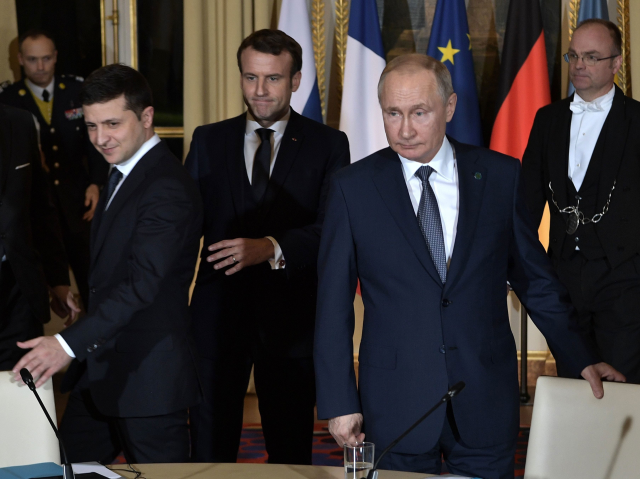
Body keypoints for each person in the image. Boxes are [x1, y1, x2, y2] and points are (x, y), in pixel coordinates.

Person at [314, 53, 624, 479]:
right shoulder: (353, 188)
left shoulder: (499, 176)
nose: (405, 130)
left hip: (485, 398)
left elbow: (535, 280)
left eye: (419, 112)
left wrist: (581, 357)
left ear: (450, 107)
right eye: (393, 113)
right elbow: (332, 305)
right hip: (394, 405)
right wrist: (338, 402)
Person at [12, 64, 203, 464]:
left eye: (112, 124)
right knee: (59, 467)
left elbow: (142, 285)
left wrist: (66, 344)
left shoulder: (167, 186)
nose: (100, 138)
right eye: (92, 125)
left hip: (147, 378)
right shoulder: (120, 172)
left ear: (146, 117)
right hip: (100, 373)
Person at [185, 29, 350, 465]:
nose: (260, 90)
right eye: (250, 77)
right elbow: (183, 229)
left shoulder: (328, 144)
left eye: (273, 78)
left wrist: (271, 246)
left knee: (290, 453)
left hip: (291, 322)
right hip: (216, 320)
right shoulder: (207, 139)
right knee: (208, 450)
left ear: (295, 81)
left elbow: (332, 231)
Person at [522, 19, 640, 384]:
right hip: (563, 278)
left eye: (591, 56)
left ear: (616, 63)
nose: (579, 65)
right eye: (573, 55)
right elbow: (526, 202)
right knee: (573, 382)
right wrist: (522, 265)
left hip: (624, 280)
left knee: (620, 385)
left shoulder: (638, 121)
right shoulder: (547, 119)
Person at [0, 29, 109, 309]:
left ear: (56, 56)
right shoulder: (8, 100)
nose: (40, 66)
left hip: (79, 203)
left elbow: (95, 142)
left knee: (93, 278)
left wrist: (96, 183)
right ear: (20, 59)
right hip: (34, 207)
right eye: (32, 59)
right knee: (46, 283)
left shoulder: (76, 91)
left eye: (46, 58)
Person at [0, 103, 79, 370]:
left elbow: (40, 209)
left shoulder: (21, 122)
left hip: (18, 292)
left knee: (22, 386)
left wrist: (58, 280)